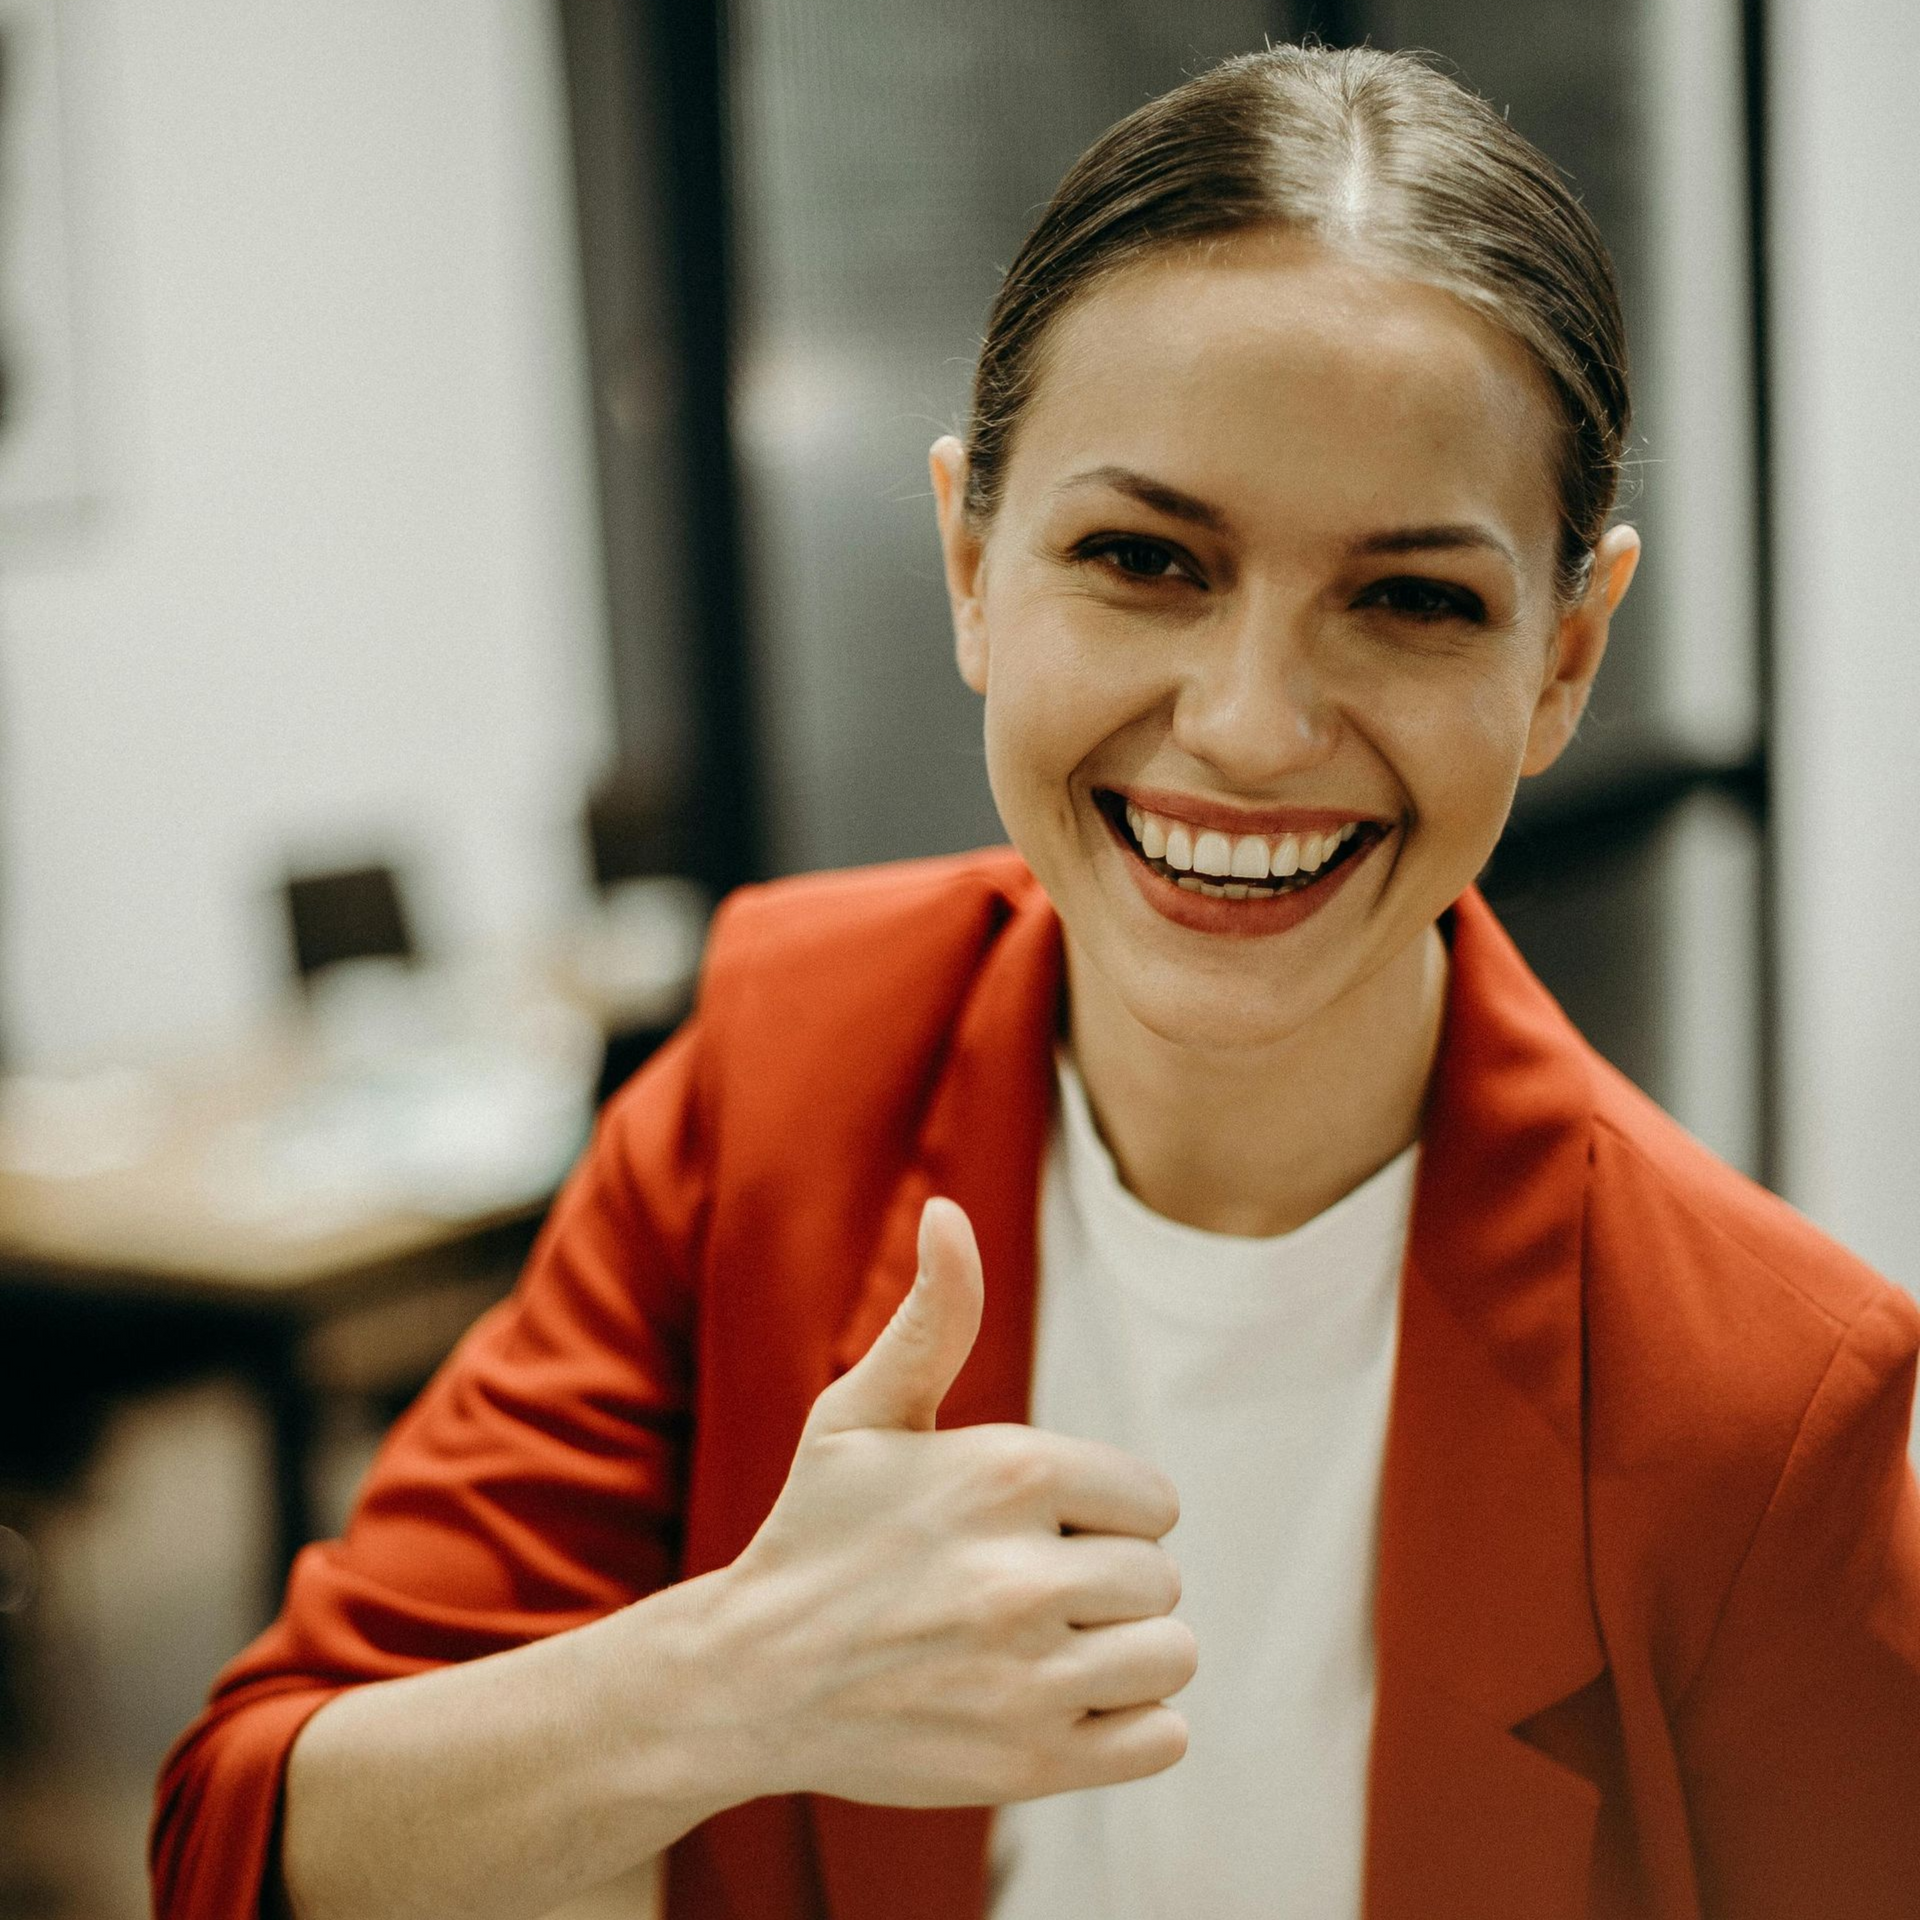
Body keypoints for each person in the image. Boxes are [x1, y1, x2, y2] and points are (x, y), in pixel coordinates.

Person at [152, 43, 1920, 1920]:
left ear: (1566, 660)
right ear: (971, 560)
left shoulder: (1762, 1397)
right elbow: (243, 1840)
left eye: (1413, 599)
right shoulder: (781, 1074)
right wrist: (730, 1682)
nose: (1249, 728)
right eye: (1144, 558)